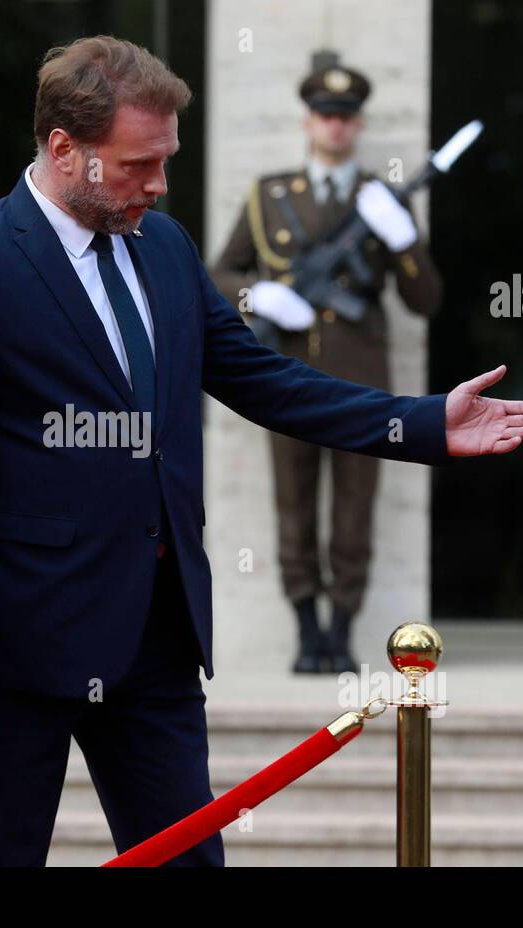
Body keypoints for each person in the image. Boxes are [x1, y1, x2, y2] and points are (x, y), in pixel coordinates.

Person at [0, 35, 523, 867]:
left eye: (166, 160)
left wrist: (419, 424)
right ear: (65, 149)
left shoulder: (162, 246)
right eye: (138, 163)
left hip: (157, 642)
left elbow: (264, 379)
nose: (159, 184)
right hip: (14, 657)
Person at [211, 49, 443, 675]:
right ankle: (305, 632)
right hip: (286, 374)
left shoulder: (383, 200)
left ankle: (341, 631)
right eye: (324, 115)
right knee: (293, 503)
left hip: (363, 378)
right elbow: (221, 270)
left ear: (358, 125)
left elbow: (425, 301)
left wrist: (404, 240)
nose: (335, 126)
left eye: (346, 116)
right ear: (309, 122)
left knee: (354, 509)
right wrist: (260, 295)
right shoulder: (268, 196)